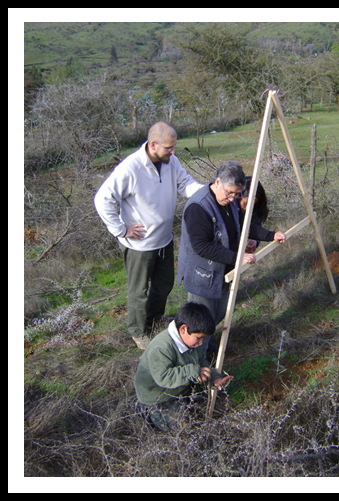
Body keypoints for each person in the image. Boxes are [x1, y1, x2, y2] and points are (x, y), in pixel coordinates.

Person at [94, 122, 203, 349]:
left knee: (164, 285)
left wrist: (209, 192)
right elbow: (102, 198)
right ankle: (138, 332)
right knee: (139, 291)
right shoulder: (130, 168)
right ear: (153, 145)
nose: (173, 152)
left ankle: (153, 320)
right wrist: (121, 229)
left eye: (174, 147)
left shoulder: (170, 162)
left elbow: (185, 185)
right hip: (139, 246)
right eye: (168, 148)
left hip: (164, 239)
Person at [177, 161, 286, 355]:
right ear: (217, 182)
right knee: (200, 320)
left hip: (223, 271)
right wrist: (238, 257)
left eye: (237, 194)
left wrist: (270, 235)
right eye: (229, 192)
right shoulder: (198, 207)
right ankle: (194, 359)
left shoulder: (231, 202)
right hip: (202, 274)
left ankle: (204, 343)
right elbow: (202, 247)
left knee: (218, 313)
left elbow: (244, 227)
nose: (232, 198)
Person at [134, 302, 233, 431]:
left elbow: (201, 362)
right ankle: (143, 411)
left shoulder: (191, 342)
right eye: (199, 338)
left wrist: (215, 378)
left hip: (179, 388)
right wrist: (193, 371)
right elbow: (163, 378)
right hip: (158, 398)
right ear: (183, 329)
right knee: (186, 426)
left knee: (203, 405)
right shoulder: (162, 348)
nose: (201, 343)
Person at [239, 176, 286, 254]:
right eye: (245, 203)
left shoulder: (255, 209)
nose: (247, 208)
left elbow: (254, 226)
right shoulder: (229, 210)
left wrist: (255, 240)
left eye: (252, 205)